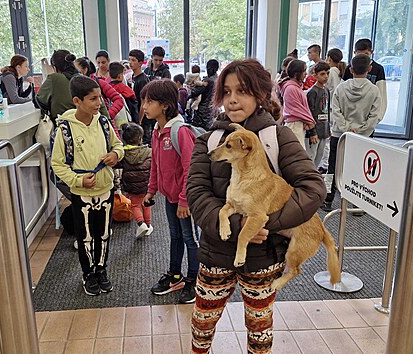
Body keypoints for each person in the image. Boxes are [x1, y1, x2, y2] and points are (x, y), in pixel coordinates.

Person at [187, 59, 325, 354]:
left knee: (260, 327)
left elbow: (312, 189)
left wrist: (265, 222)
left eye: (243, 90)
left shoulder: (278, 138)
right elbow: (197, 195)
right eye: (226, 92)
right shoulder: (209, 141)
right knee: (202, 323)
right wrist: (238, 227)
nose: (233, 99)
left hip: (263, 257)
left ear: (260, 94)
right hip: (217, 251)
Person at [51, 75, 124, 296]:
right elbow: (57, 163)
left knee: (103, 234)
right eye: (93, 99)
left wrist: (115, 154)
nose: (99, 103)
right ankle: (88, 274)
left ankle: (101, 270)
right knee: (85, 237)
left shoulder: (103, 122)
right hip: (81, 193)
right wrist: (77, 180)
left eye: (99, 98)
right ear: (77, 101)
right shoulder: (65, 129)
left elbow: (118, 145)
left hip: (105, 189)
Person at [141, 79, 199, 304]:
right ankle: (175, 276)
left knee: (190, 239)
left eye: (149, 101)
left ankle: (194, 280)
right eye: (144, 101)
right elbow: (156, 164)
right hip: (170, 197)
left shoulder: (179, 131)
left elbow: (190, 168)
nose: (144, 106)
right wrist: (151, 190)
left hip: (185, 199)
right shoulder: (157, 131)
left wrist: (185, 200)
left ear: (165, 105)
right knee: (175, 236)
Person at [322, 54, 381, 212]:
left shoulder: (341, 88)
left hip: (338, 135)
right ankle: (358, 204)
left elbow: (335, 111)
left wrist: (346, 128)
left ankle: (327, 200)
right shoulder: (374, 90)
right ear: (369, 69)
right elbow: (374, 117)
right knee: (360, 169)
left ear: (351, 69)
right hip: (363, 138)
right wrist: (359, 130)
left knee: (332, 167)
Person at [118, 122, 154, 238]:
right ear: (140, 138)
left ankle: (140, 223)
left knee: (135, 205)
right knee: (146, 204)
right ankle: (148, 225)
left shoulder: (123, 154)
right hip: (146, 184)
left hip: (131, 186)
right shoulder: (148, 152)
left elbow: (117, 165)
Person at [74, 56, 125, 132]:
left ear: (85, 70)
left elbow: (119, 100)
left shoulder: (99, 82)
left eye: (76, 70)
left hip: (104, 126)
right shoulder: (75, 86)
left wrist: (107, 115)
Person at [343, 38, 387, 120]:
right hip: (349, 116)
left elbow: (382, 95)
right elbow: (341, 93)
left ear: (371, 52)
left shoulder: (378, 69)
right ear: (354, 53)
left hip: (368, 116)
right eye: (359, 54)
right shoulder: (350, 67)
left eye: (366, 54)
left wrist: (377, 119)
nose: (362, 59)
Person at [318, 48, 346, 173]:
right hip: (331, 108)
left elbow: (331, 91)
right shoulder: (337, 71)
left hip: (329, 108)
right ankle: (325, 163)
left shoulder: (332, 73)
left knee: (326, 138)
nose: (325, 76)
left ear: (329, 58)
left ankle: (324, 164)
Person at [278, 59, 316, 147]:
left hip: (298, 125)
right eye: (304, 71)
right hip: (294, 125)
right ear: (296, 74)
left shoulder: (295, 87)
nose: (306, 73)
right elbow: (296, 110)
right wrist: (309, 121)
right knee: (298, 154)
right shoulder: (291, 88)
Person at [37, 49, 79, 121]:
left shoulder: (54, 78)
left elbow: (39, 100)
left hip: (64, 127)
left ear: (54, 67)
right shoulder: (83, 78)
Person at [305, 62, 331, 168]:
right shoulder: (312, 92)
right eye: (322, 74)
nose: (326, 77)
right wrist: (312, 132)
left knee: (319, 156)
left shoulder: (326, 90)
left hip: (324, 130)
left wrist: (328, 129)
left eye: (327, 73)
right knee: (311, 156)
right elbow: (310, 113)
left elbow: (327, 111)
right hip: (315, 131)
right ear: (315, 76)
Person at [128, 49, 153, 145]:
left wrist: (139, 120)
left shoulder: (143, 80)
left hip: (143, 118)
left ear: (140, 63)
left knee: (145, 142)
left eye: (133, 60)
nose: (130, 63)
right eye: (129, 59)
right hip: (135, 115)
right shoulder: (132, 77)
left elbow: (144, 101)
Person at [188, 59, 219, 130]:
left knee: (198, 131)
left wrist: (189, 90)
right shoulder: (219, 80)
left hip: (203, 109)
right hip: (213, 108)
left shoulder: (207, 81)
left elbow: (194, 93)